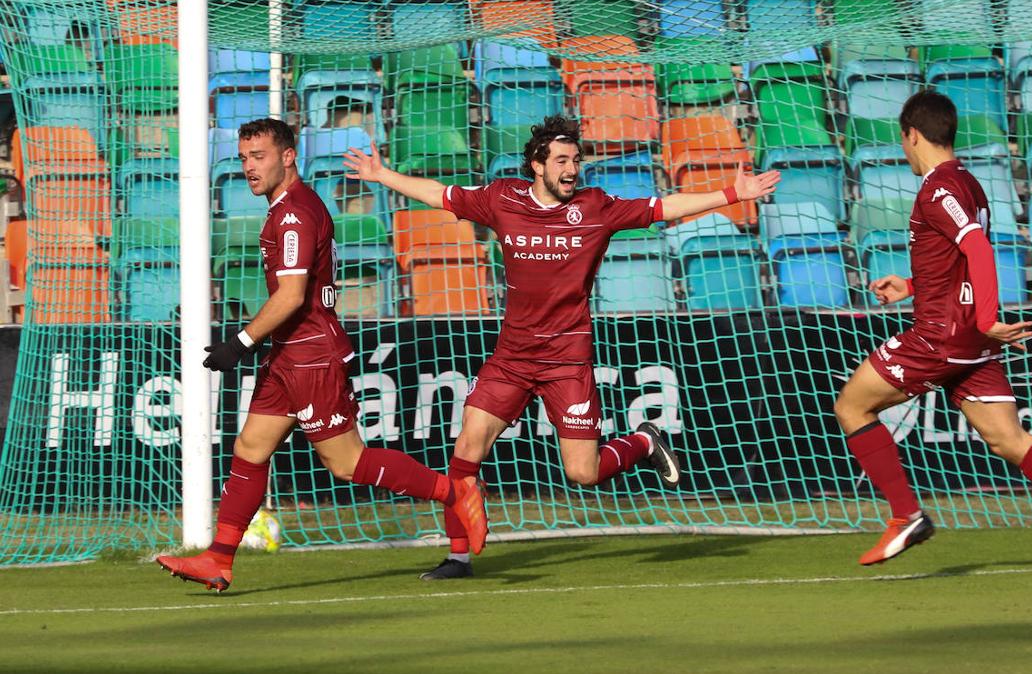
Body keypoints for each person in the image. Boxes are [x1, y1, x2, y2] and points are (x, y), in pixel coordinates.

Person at [344, 115, 780, 579]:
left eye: (576, 159)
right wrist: (382, 175)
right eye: (562, 160)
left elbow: (663, 207)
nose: (572, 169)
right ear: (537, 165)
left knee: (583, 473)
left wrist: (732, 195)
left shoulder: (597, 207)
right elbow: (439, 194)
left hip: (567, 361)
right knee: (466, 449)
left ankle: (641, 441)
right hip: (511, 358)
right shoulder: (502, 199)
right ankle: (458, 558)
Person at [156, 118, 486, 591]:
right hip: (288, 353)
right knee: (250, 448)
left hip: (310, 355)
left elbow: (291, 296)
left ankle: (455, 491)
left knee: (347, 463)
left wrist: (240, 343)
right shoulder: (284, 208)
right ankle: (219, 559)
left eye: (260, 156)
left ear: (288, 156)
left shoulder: (293, 214)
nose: (249, 167)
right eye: (245, 157)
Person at [833, 91, 1032, 579]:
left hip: (941, 338)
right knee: (1008, 438)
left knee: (852, 406)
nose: (903, 150)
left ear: (911, 134)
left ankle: (906, 515)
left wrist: (988, 315)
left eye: (902, 141)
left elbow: (977, 249)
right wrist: (911, 285)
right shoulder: (967, 181)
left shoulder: (937, 190)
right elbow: (957, 259)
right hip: (969, 341)